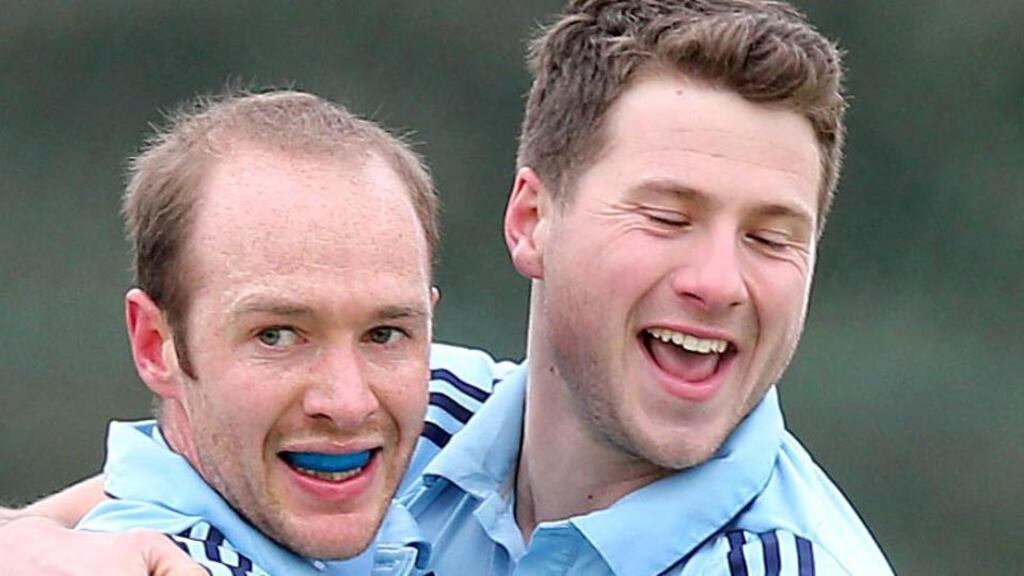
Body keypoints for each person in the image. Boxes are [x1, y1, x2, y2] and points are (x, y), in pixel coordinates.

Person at [2, 1, 895, 574]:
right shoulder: (426, 414)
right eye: (666, 217)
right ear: (530, 219)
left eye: (773, 237)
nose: (716, 282)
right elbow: (188, 469)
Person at [0, 90, 440, 575]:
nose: (348, 403)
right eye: (277, 336)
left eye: (384, 334)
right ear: (155, 345)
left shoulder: (468, 417)